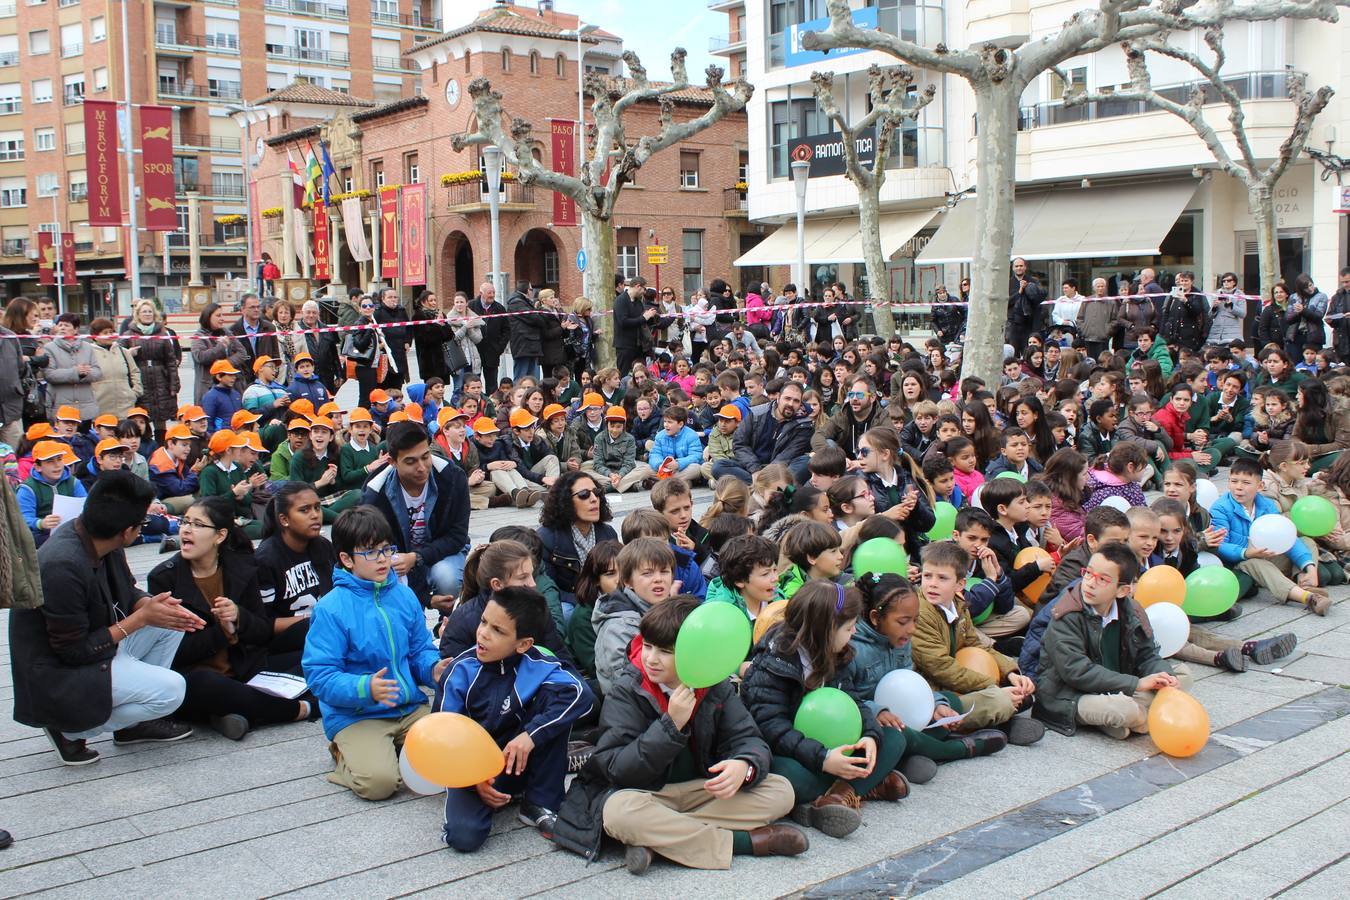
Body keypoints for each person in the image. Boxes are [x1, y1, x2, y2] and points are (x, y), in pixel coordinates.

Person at [554, 597, 804, 873]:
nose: (650, 658)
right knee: (617, 813)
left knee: (780, 790)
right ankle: (744, 842)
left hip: (701, 789)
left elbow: (749, 739)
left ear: (694, 652)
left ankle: (658, 839)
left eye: (664, 651)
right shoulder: (628, 688)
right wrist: (670, 726)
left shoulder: (713, 684)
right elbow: (616, 768)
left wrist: (744, 765)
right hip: (645, 793)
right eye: (647, 646)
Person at [10, 471, 201, 766]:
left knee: (171, 622)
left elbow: (127, 590)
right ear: (127, 531)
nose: (141, 530)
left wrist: (152, 605)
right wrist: (139, 619)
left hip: (95, 645)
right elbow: (72, 651)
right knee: (172, 691)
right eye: (142, 524)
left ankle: (130, 726)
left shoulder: (99, 536)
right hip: (57, 673)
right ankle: (70, 730)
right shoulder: (62, 564)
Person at [302, 507, 452, 800]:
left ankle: (391, 750)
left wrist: (433, 669)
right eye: (370, 552)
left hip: (408, 707)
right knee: (380, 785)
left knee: (450, 759)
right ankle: (344, 753)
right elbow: (319, 676)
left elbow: (419, 649)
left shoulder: (403, 595)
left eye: (387, 549)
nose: (383, 559)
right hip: (357, 715)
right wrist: (365, 687)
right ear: (346, 559)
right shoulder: (331, 609)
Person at [741, 581, 909, 839]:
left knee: (893, 737)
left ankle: (834, 797)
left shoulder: (836, 652)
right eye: (849, 627)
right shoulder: (775, 663)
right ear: (826, 630)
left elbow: (853, 701)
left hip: (831, 745)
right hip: (790, 751)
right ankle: (860, 786)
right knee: (789, 777)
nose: (853, 633)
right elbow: (772, 728)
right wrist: (824, 758)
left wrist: (870, 735)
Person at [439, 586, 594, 851]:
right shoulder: (461, 670)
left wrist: (530, 735)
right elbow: (443, 736)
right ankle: (504, 791)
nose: (483, 634)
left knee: (558, 700)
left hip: (519, 757)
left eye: (498, 630)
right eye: (484, 622)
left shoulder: (538, 663)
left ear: (523, 644)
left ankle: (540, 799)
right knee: (464, 838)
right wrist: (475, 778)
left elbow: (582, 694)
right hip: (474, 767)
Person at [146, 496, 312, 741]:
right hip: (197, 678)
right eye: (185, 522)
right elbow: (170, 654)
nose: (187, 530)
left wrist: (239, 617)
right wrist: (222, 633)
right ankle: (300, 709)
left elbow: (263, 632)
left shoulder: (241, 567)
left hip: (246, 668)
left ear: (220, 536)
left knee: (313, 643)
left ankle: (239, 711)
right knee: (206, 685)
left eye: (198, 525)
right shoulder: (164, 579)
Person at [1033, 542, 1193, 738]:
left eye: (1103, 580)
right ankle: (1141, 717)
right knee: (1126, 710)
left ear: (1122, 591)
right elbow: (1077, 672)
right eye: (1088, 573)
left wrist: (1166, 677)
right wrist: (1137, 684)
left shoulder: (1132, 610)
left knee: (1181, 675)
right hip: (1071, 695)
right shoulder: (1066, 613)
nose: (1090, 583)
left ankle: (1128, 720)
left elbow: (1147, 654)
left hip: (1117, 684)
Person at [910, 541, 1044, 744]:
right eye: (927, 576)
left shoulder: (957, 605)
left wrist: (1011, 672)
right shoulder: (919, 612)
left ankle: (995, 717)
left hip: (948, 683)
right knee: (999, 700)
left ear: (960, 584)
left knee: (1014, 691)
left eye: (942, 578)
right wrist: (994, 687)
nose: (932, 583)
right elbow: (942, 668)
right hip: (930, 693)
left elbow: (976, 644)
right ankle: (993, 723)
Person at [361, 421, 470, 604]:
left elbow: (457, 536)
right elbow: (373, 549)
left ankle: (445, 622)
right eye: (411, 461)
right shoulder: (375, 493)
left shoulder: (452, 477)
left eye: (425, 456)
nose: (421, 467)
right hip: (397, 559)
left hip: (442, 552)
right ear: (392, 462)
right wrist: (425, 599)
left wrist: (417, 557)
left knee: (447, 577)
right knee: (394, 586)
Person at [1210, 458, 1329, 614]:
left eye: (1246, 483)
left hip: (1268, 554)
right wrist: (1246, 553)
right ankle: (1308, 597)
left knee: (1306, 541)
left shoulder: (1267, 505)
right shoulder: (1221, 507)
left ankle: (1305, 581)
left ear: (1260, 486)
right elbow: (1220, 545)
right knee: (1257, 563)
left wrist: (1310, 567)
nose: (1238, 487)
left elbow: (1285, 537)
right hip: (1242, 561)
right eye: (1234, 481)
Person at [254, 482, 334, 650]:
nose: (315, 515)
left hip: (323, 629)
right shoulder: (266, 558)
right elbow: (263, 624)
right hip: (285, 642)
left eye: (317, 508)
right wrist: (315, 619)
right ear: (284, 519)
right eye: (304, 510)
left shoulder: (323, 546)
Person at [592, 538, 676, 696]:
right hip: (638, 709)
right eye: (647, 573)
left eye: (664, 571)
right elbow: (630, 684)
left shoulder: (670, 610)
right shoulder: (618, 627)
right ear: (628, 582)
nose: (658, 578)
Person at [714, 379, 813, 484]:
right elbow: (740, 444)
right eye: (787, 398)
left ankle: (760, 486)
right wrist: (755, 469)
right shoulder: (756, 413)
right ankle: (768, 487)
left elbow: (787, 455)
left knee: (805, 463)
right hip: (753, 467)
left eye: (796, 401)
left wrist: (766, 475)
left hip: (781, 470)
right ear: (778, 398)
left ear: (800, 404)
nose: (791, 404)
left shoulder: (804, 424)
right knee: (718, 466)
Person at [16, 440, 88, 547]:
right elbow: (22, 519)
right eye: (50, 461)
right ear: (38, 467)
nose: (57, 465)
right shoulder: (27, 488)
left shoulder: (74, 482)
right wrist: (41, 523)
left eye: (59, 459)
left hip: (72, 530)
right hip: (41, 535)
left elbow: (86, 505)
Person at [43, 314, 102, 423]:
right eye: (60, 325)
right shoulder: (49, 348)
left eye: (66, 325)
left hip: (85, 409)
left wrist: (85, 374)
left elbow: (98, 372)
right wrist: (75, 373)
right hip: (61, 409)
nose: (62, 328)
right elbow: (49, 374)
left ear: (76, 329)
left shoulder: (87, 347)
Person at [191, 303, 250, 405]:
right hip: (208, 387)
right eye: (218, 316)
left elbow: (242, 352)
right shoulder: (199, 336)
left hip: (232, 387)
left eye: (222, 315)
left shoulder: (226, 332)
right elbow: (200, 357)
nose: (222, 319)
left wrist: (224, 365)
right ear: (208, 317)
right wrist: (221, 347)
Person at [228, 293, 280, 384]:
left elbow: (275, 355)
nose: (256, 310)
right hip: (243, 380)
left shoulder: (269, 328)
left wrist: (273, 373)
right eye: (252, 307)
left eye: (258, 307)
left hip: (266, 379)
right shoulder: (233, 331)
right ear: (243, 309)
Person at [614, 276, 659, 375]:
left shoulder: (639, 302)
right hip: (625, 346)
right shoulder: (621, 300)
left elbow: (641, 321)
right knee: (623, 374)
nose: (644, 292)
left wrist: (651, 317)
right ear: (638, 286)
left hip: (639, 346)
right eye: (644, 289)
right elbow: (623, 322)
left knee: (641, 374)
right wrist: (644, 318)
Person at [470, 281, 509, 395]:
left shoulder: (499, 308)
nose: (492, 295)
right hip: (475, 352)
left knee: (492, 384)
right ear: (481, 293)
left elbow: (506, 330)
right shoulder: (471, 306)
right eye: (489, 293)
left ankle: (491, 407)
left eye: (493, 292)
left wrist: (499, 348)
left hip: (492, 352)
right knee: (474, 383)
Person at [506, 280, 545, 381]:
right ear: (527, 290)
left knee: (533, 380)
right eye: (532, 289)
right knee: (521, 379)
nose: (533, 292)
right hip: (523, 346)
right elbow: (535, 318)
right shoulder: (517, 302)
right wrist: (539, 315)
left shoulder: (524, 302)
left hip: (531, 345)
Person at [373, 288, 411, 390]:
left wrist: (407, 341)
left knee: (398, 384)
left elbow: (408, 327)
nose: (393, 299)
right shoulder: (378, 313)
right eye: (390, 297)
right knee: (384, 384)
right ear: (383, 299)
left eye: (395, 297)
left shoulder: (401, 311)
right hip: (385, 352)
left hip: (399, 352)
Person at [1006, 258, 1046, 348]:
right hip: (1013, 322)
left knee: (1030, 350)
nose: (1019, 268)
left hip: (1030, 322)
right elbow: (1007, 303)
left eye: (1021, 266)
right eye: (1016, 266)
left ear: (1025, 267)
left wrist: (1030, 290)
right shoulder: (1008, 283)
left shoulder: (1033, 281)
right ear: (1013, 268)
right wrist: (1020, 291)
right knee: (1013, 348)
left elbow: (1041, 297)